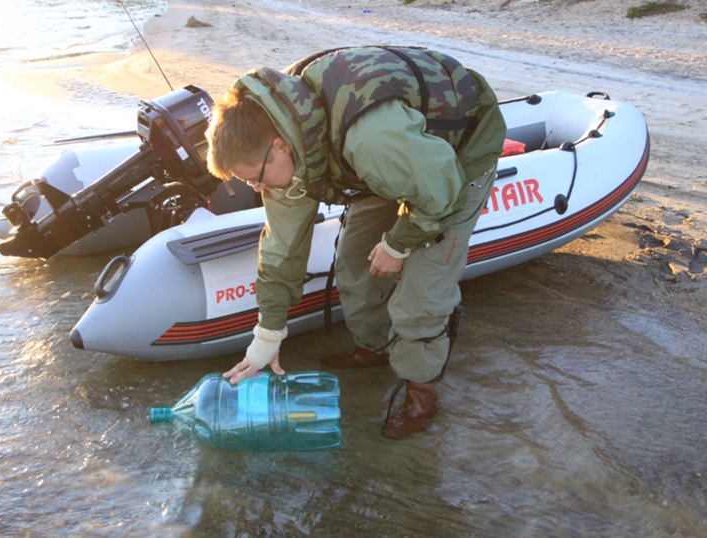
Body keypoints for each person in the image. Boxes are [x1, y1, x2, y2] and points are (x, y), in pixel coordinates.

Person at [204, 46, 506, 439]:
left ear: (280, 146)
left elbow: (439, 195)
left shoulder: (371, 138)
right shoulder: (281, 149)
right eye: (249, 183)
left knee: (422, 295)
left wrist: (397, 244)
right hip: (388, 163)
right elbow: (282, 248)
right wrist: (269, 334)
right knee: (353, 263)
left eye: (256, 178)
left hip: (453, 160)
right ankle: (374, 347)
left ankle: (421, 393)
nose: (258, 188)